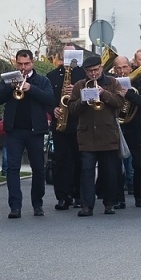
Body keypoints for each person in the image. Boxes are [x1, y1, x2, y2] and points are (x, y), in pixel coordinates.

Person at [0, 49, 56, 219]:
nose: (23, 67)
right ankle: (15, 207)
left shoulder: (42, 80)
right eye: (20, 64)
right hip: (14, 131)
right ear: (16, 63)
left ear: (32, 63)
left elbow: (50, 99)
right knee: (12, 168)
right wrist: (9, 87)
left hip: (35, 131)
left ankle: (37, 204)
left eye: (26, 64)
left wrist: (30, 88)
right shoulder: (8, 79)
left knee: (38, 169)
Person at [69, 52, 125, 216]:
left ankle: (109, 203)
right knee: (86, 171)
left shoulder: (112, 82)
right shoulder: (80, 85)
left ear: (101, 68)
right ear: (85, 72)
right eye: (90, 71)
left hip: (107, 134)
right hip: (86, 135)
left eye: (96, 69)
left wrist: (103, 94)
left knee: (109, 172)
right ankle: (87, 206)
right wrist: (83, 100)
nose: (93, 73)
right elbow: (72, 109)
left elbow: (120, 103)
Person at [115, 53, 141, 207]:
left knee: (140, 164)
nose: (122, 70)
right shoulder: (111, 83)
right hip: (118, 127)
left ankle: (140, 195)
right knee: (117, 166)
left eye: (125, 67)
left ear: (130, 67)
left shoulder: (139, 82)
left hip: (137, 128)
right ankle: (119, 199)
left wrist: (128, 93)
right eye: (118, 68)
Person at [49, 52, 82, 211]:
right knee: (61, 161)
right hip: (60, 124)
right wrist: (53, 108)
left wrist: (76, 90)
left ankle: (79, 195)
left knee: (80, 161)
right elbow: (47, 98)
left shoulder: (83, 74)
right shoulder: (52, 75)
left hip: (79, 123)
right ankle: (62, 197)